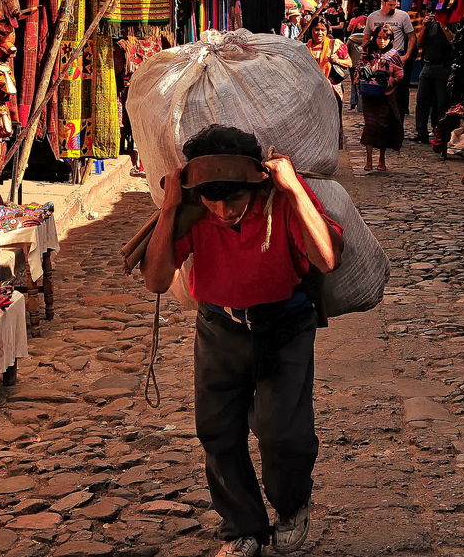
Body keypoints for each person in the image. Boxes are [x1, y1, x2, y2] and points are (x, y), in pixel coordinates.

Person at [141, 125, 344, 557]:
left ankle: (291, 508)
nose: (222, 209)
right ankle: (242, 526)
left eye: (232, 198)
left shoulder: (284, 201)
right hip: (220, 327)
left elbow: (326, 259)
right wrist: (171, 205)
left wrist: (291, 187)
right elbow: (157, 279)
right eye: (211, 199)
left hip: (283, 327)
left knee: (281, 432)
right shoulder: (193, 209)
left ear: (255, 184)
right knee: (217, 431)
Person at [358, 24, 405, 171]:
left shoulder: (394, 55)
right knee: (370, 125)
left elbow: (400, 74)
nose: (382, 41)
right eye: (379, 37)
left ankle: (381, 159)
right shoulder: (367, 52)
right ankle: (369, 160)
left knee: (383, 126)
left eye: (386, 38)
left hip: (385, 96)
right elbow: (359, 67)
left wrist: (391, 81)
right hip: (368, 95)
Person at [366, 0, 416, 117]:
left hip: (397, 58)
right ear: (383, 3)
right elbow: (366, 39)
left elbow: (412, 37)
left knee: (399, 93)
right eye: (390, 5)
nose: (393, 8)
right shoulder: (372, 17)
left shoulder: (403, 16)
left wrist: (407, 55)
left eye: (395, 5)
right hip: (378, 60)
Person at [304, 17, 352, 147]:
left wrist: (336, 60)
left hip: (332, 90)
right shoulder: (305, 47)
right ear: (311, 30)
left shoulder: (335, 45)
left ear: (327, 31)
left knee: (331, 119)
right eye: (316, 29)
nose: (319, 33)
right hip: (312, 91)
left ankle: (331, 146)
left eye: (322, 30)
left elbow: (349, 62)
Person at [413, 11, 454, 143]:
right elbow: (419, 43)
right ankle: (421, 132)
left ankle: (441, 133)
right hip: (427, 65)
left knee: (442, 102)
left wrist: (444, 26)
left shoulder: (452, 22)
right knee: (421, 100)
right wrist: (424, 26)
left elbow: (453, 41)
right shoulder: (430, 25)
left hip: (443, 67)